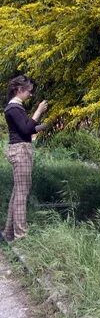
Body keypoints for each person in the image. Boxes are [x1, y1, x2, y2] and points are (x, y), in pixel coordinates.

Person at [2, 75, 51, 242]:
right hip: (20, 151)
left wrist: (49, 124)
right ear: (18, 90)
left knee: (18, 193)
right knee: (22, 194)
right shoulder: (14, 108)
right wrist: (38, 111)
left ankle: (9, 233)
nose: (31, 94)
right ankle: (20, 236)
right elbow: (25, 130)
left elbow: (29, 129)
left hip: (21, 149)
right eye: (29, 91)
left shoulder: (16, 108)